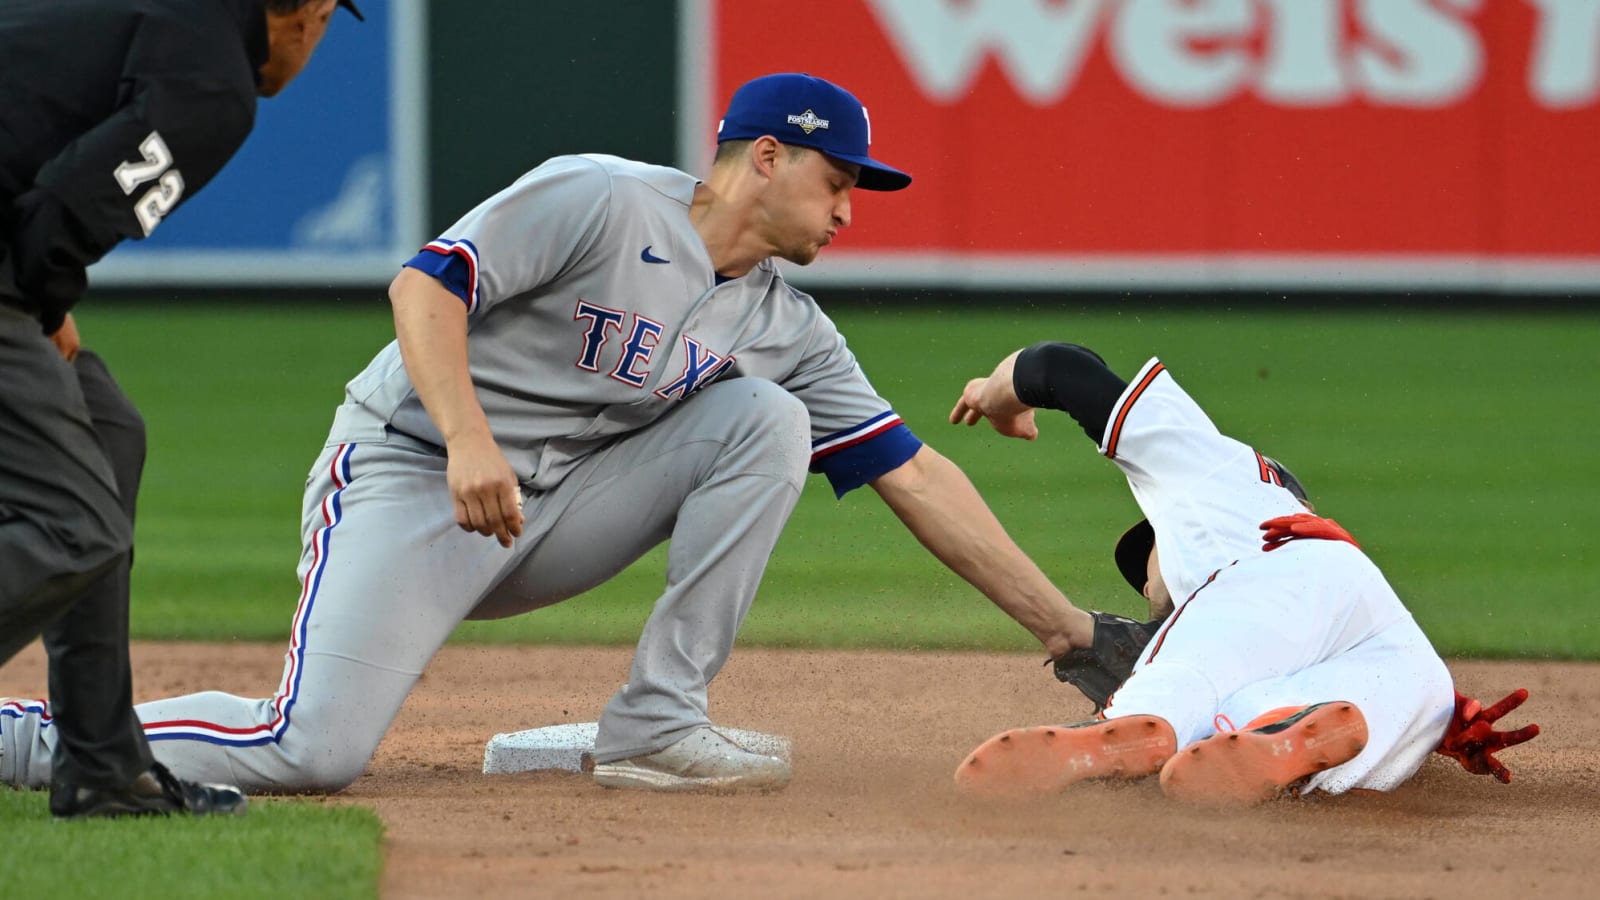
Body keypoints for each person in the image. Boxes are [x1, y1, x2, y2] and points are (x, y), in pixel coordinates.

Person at [1, 72, 1103, 795]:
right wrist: (469, 436)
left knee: (764, 419)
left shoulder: (787, 327)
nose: (851, 209)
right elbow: (424, 291)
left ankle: (656, 727)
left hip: (546, 513)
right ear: (764, 158)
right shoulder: (603, 200)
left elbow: (914, 479)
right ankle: (30, 741)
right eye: (837, 180)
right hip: (410, 473)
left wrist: (1071, 634)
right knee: (312, 747)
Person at [0, 0, 364, 818]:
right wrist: (43, 299)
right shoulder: (215, 81)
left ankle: (100, 763)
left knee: (107, 433)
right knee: (75, 526)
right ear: (303, 14)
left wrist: (41, 299)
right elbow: (64, 212)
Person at [947, 342, 1538, 805]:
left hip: (1265, 576)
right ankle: (1280, 732)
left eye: (1142, 563)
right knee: (1380, 702)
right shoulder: (1289, 527)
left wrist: (993, 394)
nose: (1149, 589)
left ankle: (1135, 725)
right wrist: (1441, 721)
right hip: (1396, 640)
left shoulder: (1207, 472)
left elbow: (1059, 365)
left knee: (1182, 692)